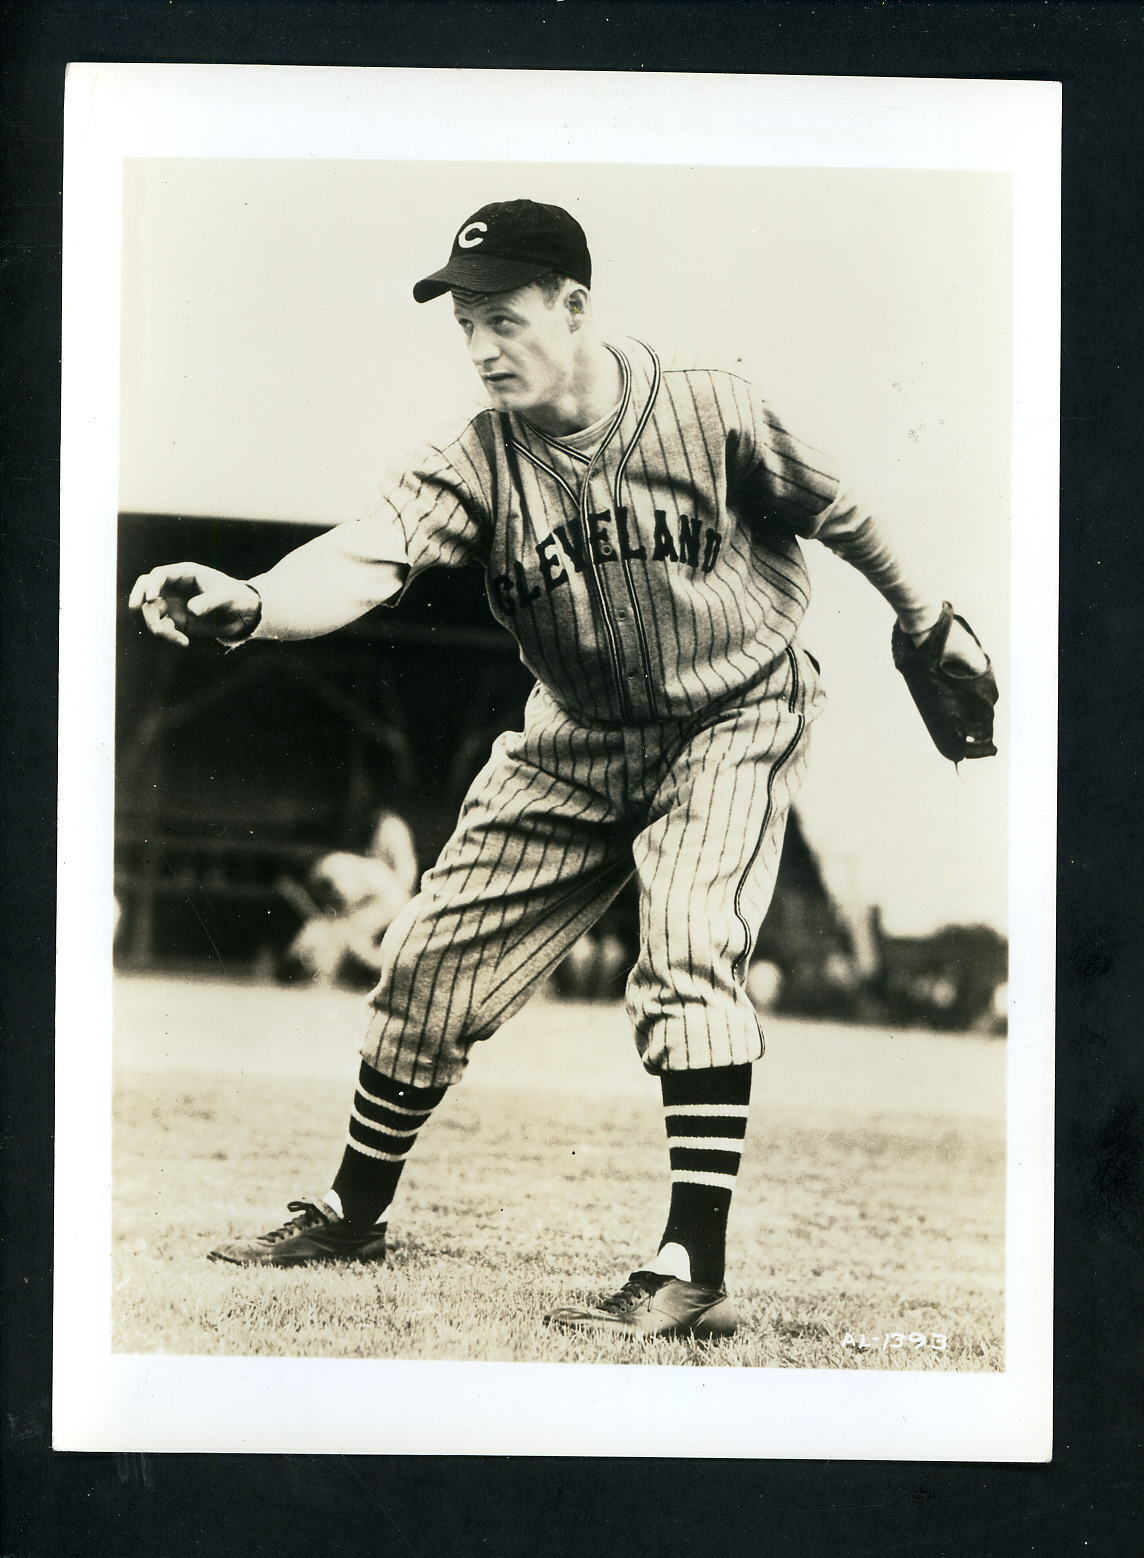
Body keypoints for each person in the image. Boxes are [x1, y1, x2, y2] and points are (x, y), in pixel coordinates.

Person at [130, 198, 992, 1339]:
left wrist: (928, 621)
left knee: (688, 937)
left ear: (574, 306)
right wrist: (249, 603)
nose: (484, 347)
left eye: (506, 319)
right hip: (579, 729)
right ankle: (352, 1208)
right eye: (466, 325)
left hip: (733, 709)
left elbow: (844, 510)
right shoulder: (476, 461)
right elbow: (363, 555)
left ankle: (691, 1259)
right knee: (430, 956)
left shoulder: (706, 404)